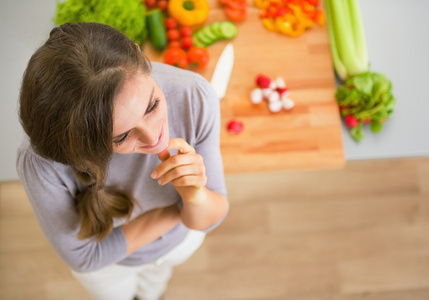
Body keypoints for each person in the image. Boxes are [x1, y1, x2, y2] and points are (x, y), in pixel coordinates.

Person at [16, 22, 229, 300]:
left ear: (139, 54)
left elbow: (210, 216)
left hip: (174, 247)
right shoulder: (41, 162)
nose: (155, 139)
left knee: (155, 285)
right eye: (122, 136)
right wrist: (179, 209)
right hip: (109, 269)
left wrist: (195, 195)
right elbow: (86, 258)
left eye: (152, 105)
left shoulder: (194, 95)